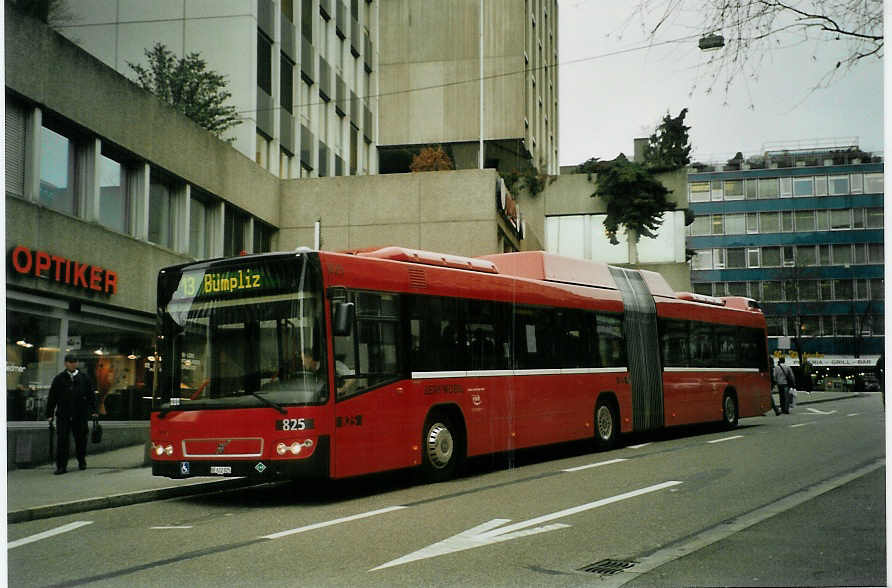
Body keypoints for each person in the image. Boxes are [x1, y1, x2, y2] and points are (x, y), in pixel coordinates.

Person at [46, 355, 98, 474]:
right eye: (70, 362)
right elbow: (52, 397)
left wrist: (94, 410)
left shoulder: (84, 378)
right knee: (62, 440)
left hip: (80, 414)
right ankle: (61, 466)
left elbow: (91, 395)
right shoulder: (59, 378)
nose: (73, 364)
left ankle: (81, 460)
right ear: (65, 364)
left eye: (74, 362)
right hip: (63, 414)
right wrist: (49, 413)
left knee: (81, 439)